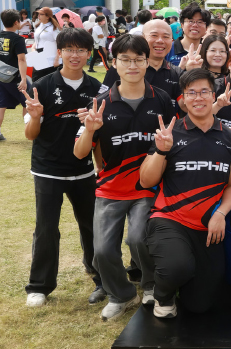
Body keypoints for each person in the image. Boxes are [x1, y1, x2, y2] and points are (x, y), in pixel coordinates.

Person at [73, 34, 177, 320]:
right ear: (114, 64)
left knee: (138, 239)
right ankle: (121, 293)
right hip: (109, 189)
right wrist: (91, 130)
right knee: (103, 250)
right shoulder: (100, 102)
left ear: (147, 62)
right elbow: (80, 153)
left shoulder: (163, 100)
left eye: (138, 59)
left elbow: (172, 144)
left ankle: (151, 286)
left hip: (147, 188)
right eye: (125, 60)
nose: (132, 65)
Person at [139, 68, 231, 318]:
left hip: (209, 227)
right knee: (177, 268)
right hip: (169, 220)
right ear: (183, 99)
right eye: (191, 93)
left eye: (204, 91)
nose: (198, 98)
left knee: (200, 305)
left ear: (213, 95)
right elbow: (146, 181)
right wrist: (162, 151)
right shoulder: (169, 134)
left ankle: (180, 283)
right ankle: (162, 296)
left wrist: (221, 213)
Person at [21, 27, 104, 307]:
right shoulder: (42, 86)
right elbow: (31, 135)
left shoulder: (97, 89)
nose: (75, 55)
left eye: (81, 50)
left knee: (92, 226)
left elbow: (100, 136)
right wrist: (34, 116)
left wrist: (101, 168)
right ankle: (39, 286)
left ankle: (100, 276)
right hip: (47, 170)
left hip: (83, 170)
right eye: (69, 49)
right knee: (46, 228)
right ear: (59, 52)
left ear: (89, 53)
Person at [100, 20, 181, 108]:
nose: (160, 41)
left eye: (166, 36)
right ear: (142, 38)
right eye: (154, 35)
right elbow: (102, 100)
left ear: (172, 40)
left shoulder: (176, 72)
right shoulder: (123, 67)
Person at [0, 9, 30, 142]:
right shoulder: (18, 39)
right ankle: (30, 131)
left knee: (0, 105)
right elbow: (21, 60)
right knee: (27, 102)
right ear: (16, 22)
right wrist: (23, 79)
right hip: (14, 77)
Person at [29, 7, 62, 81]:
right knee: (36, 80)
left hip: (50, 57)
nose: (38, 16)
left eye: (41, 14)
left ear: (47, 16)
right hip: (39, 55)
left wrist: (57, 59)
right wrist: (33, 48)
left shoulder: (53, 28)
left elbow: (60, 43)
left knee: (49, 81)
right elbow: (37, 40)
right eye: (38, 14)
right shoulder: (38, 26)